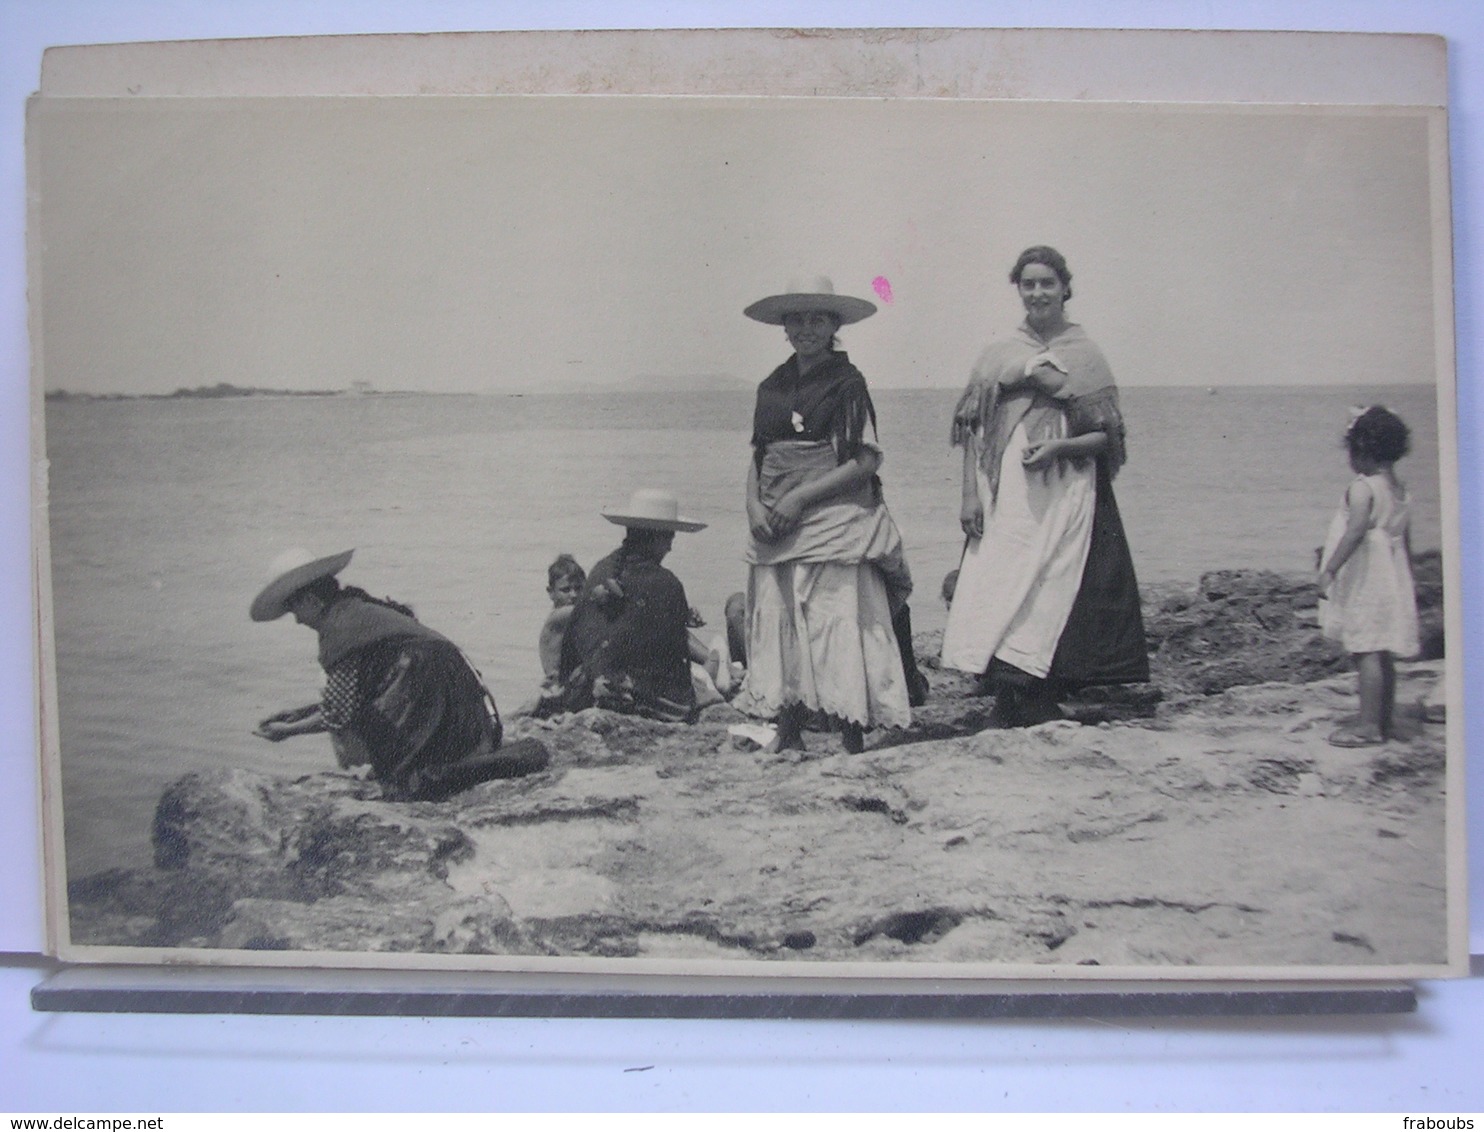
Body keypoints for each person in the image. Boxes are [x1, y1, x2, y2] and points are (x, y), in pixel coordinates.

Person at [940, 246, 1148, 725]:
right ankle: (1005, 695)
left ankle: (1039, 694)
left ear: (1064, 288)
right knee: (1001, 579)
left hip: (1067, 487)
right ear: (1018, 289)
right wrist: (970, 494)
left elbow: (1106, 436)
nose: (1037, 293)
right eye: (1028, 284)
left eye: (1046, 283)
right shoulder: (998, 353)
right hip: (1006, 491)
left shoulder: (1085, 354)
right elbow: (973, 431)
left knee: (1055, 582)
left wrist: (1059, 449)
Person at [736, 275, 923, 754]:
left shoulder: (847, 383)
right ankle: (788, 725)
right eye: (797, 319)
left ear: (835, 324)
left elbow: (865, 460)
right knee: (778, 615)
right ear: (784, 326)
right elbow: (759, 458)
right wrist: (754, 505)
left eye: (817, 318)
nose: (806, 328)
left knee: (836, 617)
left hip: (833, 513)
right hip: (776, 518)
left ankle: (851, 730)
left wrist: (801, 498)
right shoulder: (771, 387)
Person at [251, 548, 549, 800]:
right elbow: (349, 696)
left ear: (310, 601)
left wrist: (288, 731)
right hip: (459, 699)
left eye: (294, 611)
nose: (297, 621)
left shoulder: (336, 632)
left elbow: (339, 714)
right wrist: (297, 714)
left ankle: (488, 765)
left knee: (412, 786)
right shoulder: (357, 608)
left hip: (429, 696)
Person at [555, 489, 708, 722]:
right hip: (635, 696)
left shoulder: (601, 569)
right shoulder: (666, 583)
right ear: (655, 538)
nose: (670, 548)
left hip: (583, 691)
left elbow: (579, 641)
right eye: (668, 540)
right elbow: (675, 659)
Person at [1317, 406, 1421, 747]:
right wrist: (1409, 577)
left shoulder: (1363, 488)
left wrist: (1330, 567)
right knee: (1382, 650)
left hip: (1367, 581)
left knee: (1366, 651)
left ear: (1360, 450)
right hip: (1391, 577)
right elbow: (1404, 538)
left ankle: (1368, 726)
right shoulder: (1399, 488)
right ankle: (1383, 719)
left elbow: (1356, 530)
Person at [539, 553, 586, 685]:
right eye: (565, 590)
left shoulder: (578, 620)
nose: (573, 595)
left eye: (579, 588)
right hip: (559, 687)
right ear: (551, 592)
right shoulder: (558, 617)